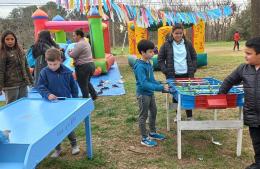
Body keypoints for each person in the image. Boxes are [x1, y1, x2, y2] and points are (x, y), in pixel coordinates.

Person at [218, 37, 260, 169]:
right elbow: (229, 81)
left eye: (249, 53)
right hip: (253, 114)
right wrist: (220, 96)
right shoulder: (243, 69)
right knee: (257, 142)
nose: (245, 56)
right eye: (245, 53)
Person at [37, 48, 80, 157]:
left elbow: (74, 87)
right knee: (54, 127)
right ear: (46, 61)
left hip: (66, 104)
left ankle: (74, 145)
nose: (52, 67)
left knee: (68, 125)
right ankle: (58, 149)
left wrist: (74, 100)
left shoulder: (67, 72)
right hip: (51, 105)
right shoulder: (44, 72)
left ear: (60, 60)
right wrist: (48, 95)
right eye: (50, 64)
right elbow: (40, 87)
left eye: (55, 64)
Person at [158, 23, 197, 120]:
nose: (179, 35)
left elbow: (194, 56)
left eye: (180, 33)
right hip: (173, 75)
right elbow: (160, 59)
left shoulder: (188, 43)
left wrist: (193, 68)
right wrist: (165, 70)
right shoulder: (166, 44)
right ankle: (177, 115)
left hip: (187, 74)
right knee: (175, 96)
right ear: (172, 33)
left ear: (183, 33)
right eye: (176, 33)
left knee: (188, 94)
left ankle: (189, 116)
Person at [133, 39, 168, 147]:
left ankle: (152, 132)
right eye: (150, 52)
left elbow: (151, 80)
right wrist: (160, 88)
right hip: (143, 94)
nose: (153, 53)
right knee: (143, 116)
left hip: (150, 93)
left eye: (153, 51)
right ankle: (144, 138)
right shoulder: (140, 66)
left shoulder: (149, 63)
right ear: (143, 53)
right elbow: (144, 84)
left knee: (154, 111)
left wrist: (160, 83)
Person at [0, 30, 33, 104]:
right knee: (12, 106)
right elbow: (1, 71)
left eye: (12, 39)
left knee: (24, 104)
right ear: (3, 40)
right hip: (10, 85)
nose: (10, 41)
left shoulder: (20, 50)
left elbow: (26, 66)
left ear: (15, 39)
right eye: (7, 39)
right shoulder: (2, 53)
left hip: (23, 83)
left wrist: (31, 81)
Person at [69, 29, 97, 100]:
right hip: (90, 65)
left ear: (79, 35)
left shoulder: (80, 44)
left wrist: (69, 52)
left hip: (83, 67)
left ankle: (85, 100)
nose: (73, 37)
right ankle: (94, 95)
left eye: (74, 36)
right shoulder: (86, 42)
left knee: (82, 85)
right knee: (86, 82)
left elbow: (73, 55)